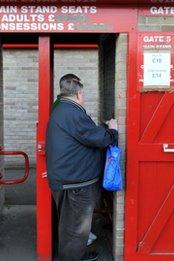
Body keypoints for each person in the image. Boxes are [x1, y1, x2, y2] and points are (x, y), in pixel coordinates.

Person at [46, 74, 118, 261]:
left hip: (66, 178)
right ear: (78, 94)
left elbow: (83, 134)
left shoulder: (61, 108)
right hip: (75, 183)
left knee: (69, 224)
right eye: (83, 93)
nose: (83, 96)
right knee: (75, 228)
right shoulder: (73, 113)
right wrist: (112, 131)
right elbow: (99, 139)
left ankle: (75, 254)